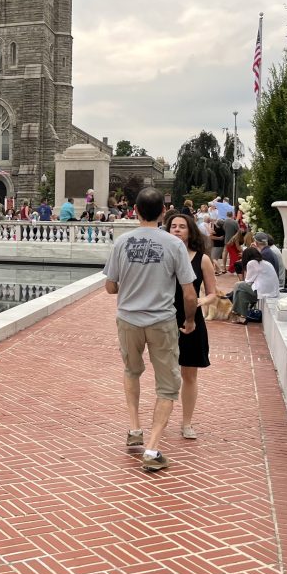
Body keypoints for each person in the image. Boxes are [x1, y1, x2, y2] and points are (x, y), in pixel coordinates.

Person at [103, 187, 196, 472]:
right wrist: (190, 320)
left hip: (129, 319)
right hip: (161, 321)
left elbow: (110, 286)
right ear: (163, 212)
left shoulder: (122, 243)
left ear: (136, 211)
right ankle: (153, 448)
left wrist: (127, 285)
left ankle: (134, 428)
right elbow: (189, 294)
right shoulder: (174, 244)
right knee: (168, 385)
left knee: (132, 371)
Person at [164, 211, 218, 440]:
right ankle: (161, 420)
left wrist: (200, 301)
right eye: (173, 226)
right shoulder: (162, 256)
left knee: (189, 375)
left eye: (182, 226)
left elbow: (213, 293)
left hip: (191, 320)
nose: (177, 229)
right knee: (165, 374)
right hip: (165, 318)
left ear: (190, 231)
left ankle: (187, 423)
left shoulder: (201, 259)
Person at [230, 246, 280, 324]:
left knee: (238, 285)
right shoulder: (265, 262)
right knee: (241, 293)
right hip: (272, 291)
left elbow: (248, 281)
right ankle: (242, 317)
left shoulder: (252, 263)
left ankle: (234, 313)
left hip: (264, 291)